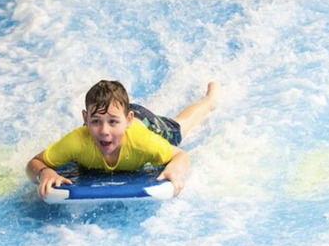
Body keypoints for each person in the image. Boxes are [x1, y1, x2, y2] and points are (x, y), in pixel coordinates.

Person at [27, 80, 218, 198]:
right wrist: (43, 172)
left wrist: (175, 168)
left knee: (180, 128)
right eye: (95, 122)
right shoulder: (77, 141)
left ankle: (209, 100)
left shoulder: (142, 142)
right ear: (85, 119)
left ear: (128, 120)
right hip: (118, 112)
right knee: (108, 117)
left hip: (145, 123)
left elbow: (181, 156)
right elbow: (34, 162)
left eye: (111, 123)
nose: (104, 131)